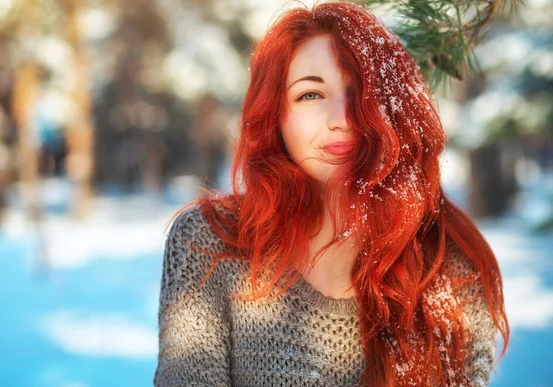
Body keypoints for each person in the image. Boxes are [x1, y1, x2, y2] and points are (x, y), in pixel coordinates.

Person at [153, 2, 510, 386]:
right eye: (311, 95)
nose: (342, 119)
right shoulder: (209, 246)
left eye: (361, 94)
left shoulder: (451, 264)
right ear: (275, 114)